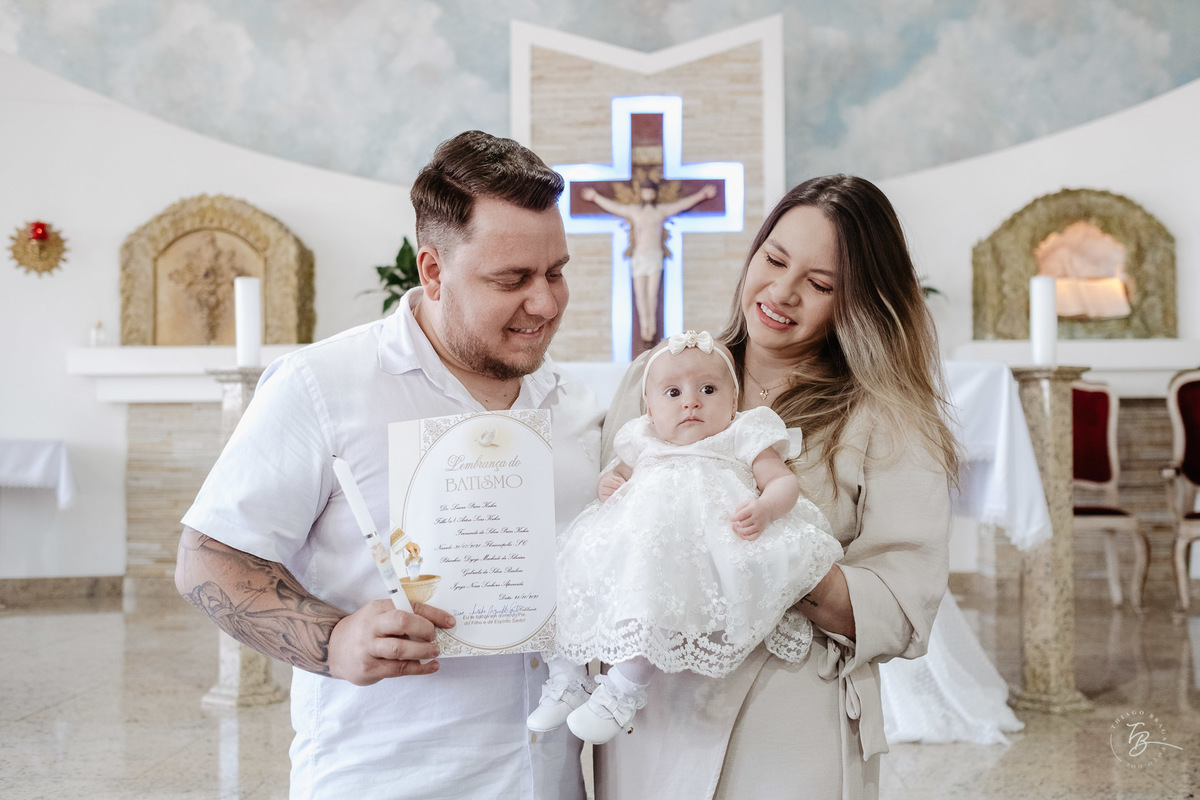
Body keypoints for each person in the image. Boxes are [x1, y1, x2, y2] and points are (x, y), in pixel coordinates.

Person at [174, 130, 604, 800]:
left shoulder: (575, 406)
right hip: (385, 779)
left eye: (555, 272)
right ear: (432, 271)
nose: (545, 303)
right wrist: (333, 640)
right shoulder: (322, 385)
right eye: (512, 279)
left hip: (550, 781)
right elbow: (207, 559)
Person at [594, 175, 959, 800]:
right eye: (775, 259)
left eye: (820, 285)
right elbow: (604, 543)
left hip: (788, 724)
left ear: (859, 304)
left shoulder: (887, 417)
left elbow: (903, 604)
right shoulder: (661, 378)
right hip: (649, 716)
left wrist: (779, 556)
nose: (781, 293)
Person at [526, 330, 842, 745]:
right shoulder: (642, 439)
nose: (691, 401)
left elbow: (783, 482)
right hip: (633, 537)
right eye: (673, 392)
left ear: (734, 401)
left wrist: (766, 508)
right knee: (569, 576)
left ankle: (623, 689)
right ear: (651, 410)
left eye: (708, 389)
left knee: (652, 600)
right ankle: (567, 676)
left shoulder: (742, 434)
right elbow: (617, 474)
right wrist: (611, 482)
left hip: (693, 546)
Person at [581, 181, 717, 344]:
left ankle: (651, 327)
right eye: (645, 191)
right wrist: (595, 197)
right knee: (640, 294)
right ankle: (644, 324)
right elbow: (615, 207)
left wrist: (701, 195)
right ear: (641, 193)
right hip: (639, 257)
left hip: (654, 257)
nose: (648, 195)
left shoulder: (660, 212)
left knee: (652, 295)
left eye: (650, 192)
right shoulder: (634, 211)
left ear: (654, 193)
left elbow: (681, 205)